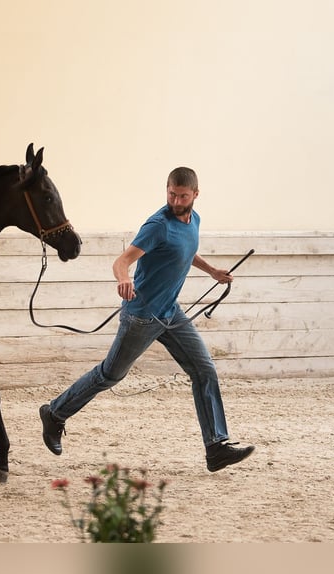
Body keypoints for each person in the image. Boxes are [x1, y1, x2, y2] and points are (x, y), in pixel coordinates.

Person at [39, 167, 254, 472]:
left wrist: (213, 272)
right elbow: (122, 260)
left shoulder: (195, 221)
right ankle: (55, 413)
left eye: (182, 195)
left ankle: (216, 447)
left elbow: (187, 251)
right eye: (171, 193)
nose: (176, 200)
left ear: (195, 194)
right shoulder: (157, 225)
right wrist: (124, 278)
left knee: (204, 369)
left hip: (171, 312)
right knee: (109, 375)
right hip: (142, 316)